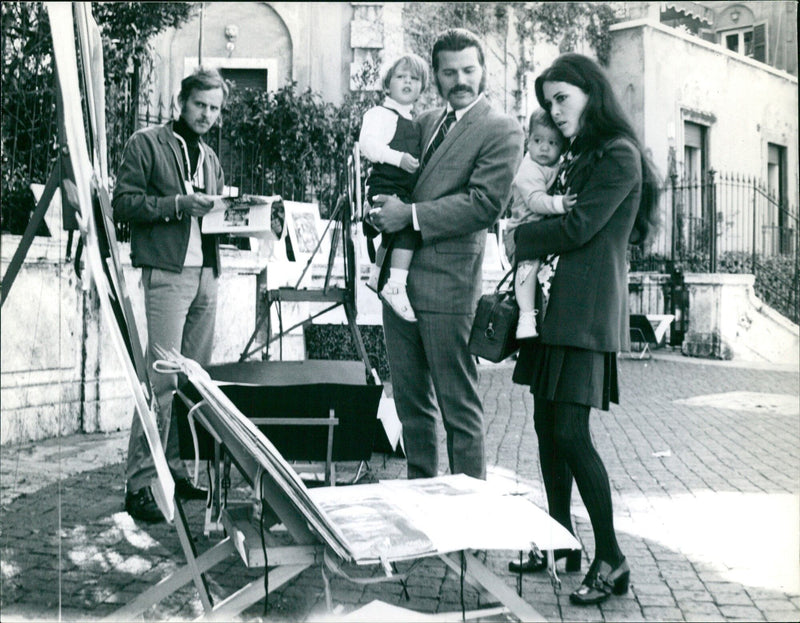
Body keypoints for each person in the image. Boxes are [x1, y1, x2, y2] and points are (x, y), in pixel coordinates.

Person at [507, 53, 660, 606]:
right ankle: (562, 540)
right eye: (548, 102)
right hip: (557, 311)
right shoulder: (578, 155)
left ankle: (612, 557)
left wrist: (518, 239)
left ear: (591, 93)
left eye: (562, 99)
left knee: (571, 433)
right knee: (548, 430)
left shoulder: (619, 155)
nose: (554, 110)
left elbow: (577, 225)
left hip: (586, 314)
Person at [368, 29, 524, 481]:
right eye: (449, 72)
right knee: (411, 405)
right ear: (435, 76)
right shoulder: (424, 122)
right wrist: (379, 206)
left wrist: (408, 215)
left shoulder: (501, 128)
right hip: (398, 284)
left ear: (483, 72)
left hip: (450, 287)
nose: (460, 80)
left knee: (459, 408)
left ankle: (468, 517)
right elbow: (394, 178)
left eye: (468, 70)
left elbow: (484, 204)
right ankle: (422, 499)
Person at [113, 68, 229, 523]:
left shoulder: (211, 158)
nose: (207, 114)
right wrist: (178, 205)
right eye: (201, 104)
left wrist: (256, 220)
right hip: (166, 271)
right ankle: (140, 482)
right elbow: (123, 203)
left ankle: (174, 469)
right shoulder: (147, 143)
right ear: (182, 102)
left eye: (215, 108)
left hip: (207, 276)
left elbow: (218, 219)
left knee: (190, 382)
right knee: (160, 381)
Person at [359, 54, 429, 322]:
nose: (407, 82)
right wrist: (397, 158)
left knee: (393, 235)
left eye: (414, 78)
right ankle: (395, 286)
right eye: (401, 77)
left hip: (401, 189)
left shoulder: (413, 121)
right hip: (386, 185)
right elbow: (369, 145)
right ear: (387, 85)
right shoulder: (380, 114)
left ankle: (378, 275)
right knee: (407, 228)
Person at [504, 108, 576, 339]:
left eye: (552, 143)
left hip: (539, 231)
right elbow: (535, 201)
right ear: (528, 141)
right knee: (528, 265)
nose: (544, 147)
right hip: (521, 232)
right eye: (537, 140)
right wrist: (561, 204)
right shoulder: (529, 168)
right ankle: (526, 317)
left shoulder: (554, 165)